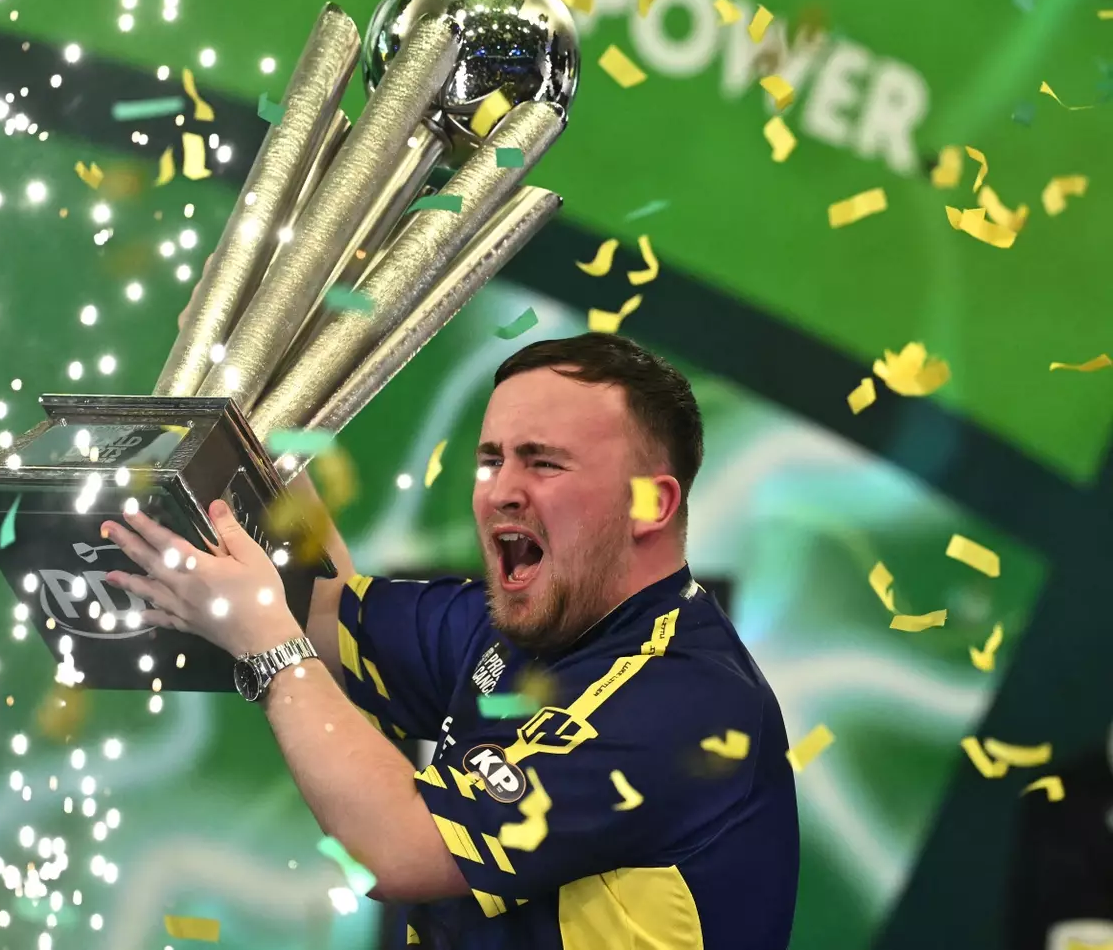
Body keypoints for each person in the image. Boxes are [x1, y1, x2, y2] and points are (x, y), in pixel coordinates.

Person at [101, 332, 799, 949]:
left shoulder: (685, 709)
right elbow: (325, 610)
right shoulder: (509, 624)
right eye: (492, 459)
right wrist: (257, 435)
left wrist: (267, 649)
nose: (502, 490)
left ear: (654, 504)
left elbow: (399, 849)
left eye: (543, 463)